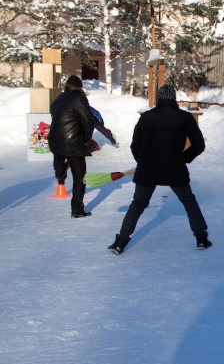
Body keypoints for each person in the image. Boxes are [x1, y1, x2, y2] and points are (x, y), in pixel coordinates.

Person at [108, 85, 211, 255]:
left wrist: (143, 162)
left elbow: (135, 145)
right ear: (174, 99)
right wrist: (184, 159)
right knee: (189, 201)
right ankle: (201, 238)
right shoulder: (185, 117)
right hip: (175, 169)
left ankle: (121, 241)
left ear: (158, 99)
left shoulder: (146, 117)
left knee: (138, 204)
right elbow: (199, 145)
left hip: (147, 170)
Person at [48, 75, 96, 218]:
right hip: (73, 143)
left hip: (55, 140)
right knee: (80, 177)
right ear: (79, 87)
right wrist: (87, 138)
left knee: (59, 160)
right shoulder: (79, 98)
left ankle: (61, 176)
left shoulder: (58, 99)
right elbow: (88, 120)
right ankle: (77, 209)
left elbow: (54, 117)